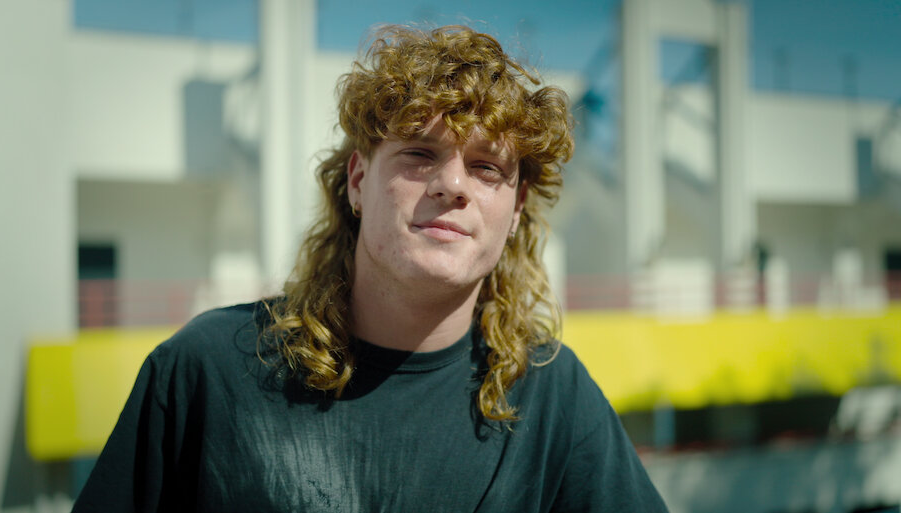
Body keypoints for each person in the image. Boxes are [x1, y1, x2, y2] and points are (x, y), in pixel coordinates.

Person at [73, 25, 668, 512]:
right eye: (419, 153)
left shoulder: (554, 395)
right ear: (358, 180)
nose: (453, 184)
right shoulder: (207, 369)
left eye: (487, 167)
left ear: (516, 210)